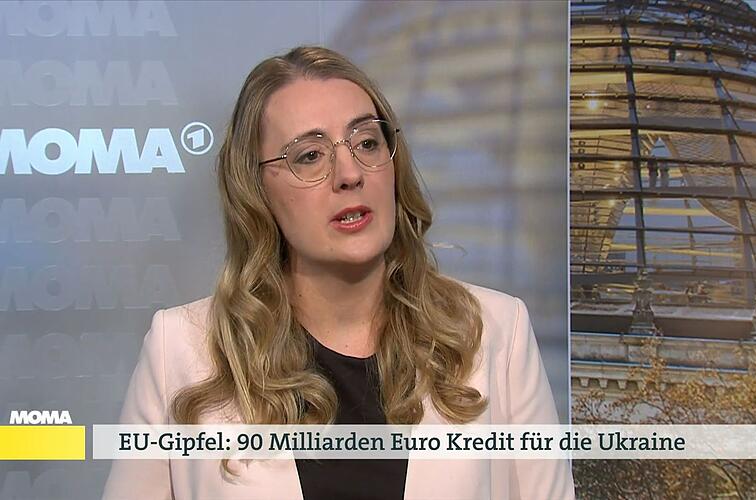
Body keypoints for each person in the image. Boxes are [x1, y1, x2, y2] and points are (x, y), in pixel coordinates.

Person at [103, 46, 574, 500]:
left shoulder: (496, 330)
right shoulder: (179, 349)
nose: (349, 173)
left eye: (367, 142)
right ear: (255, 190)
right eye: (309, 155)